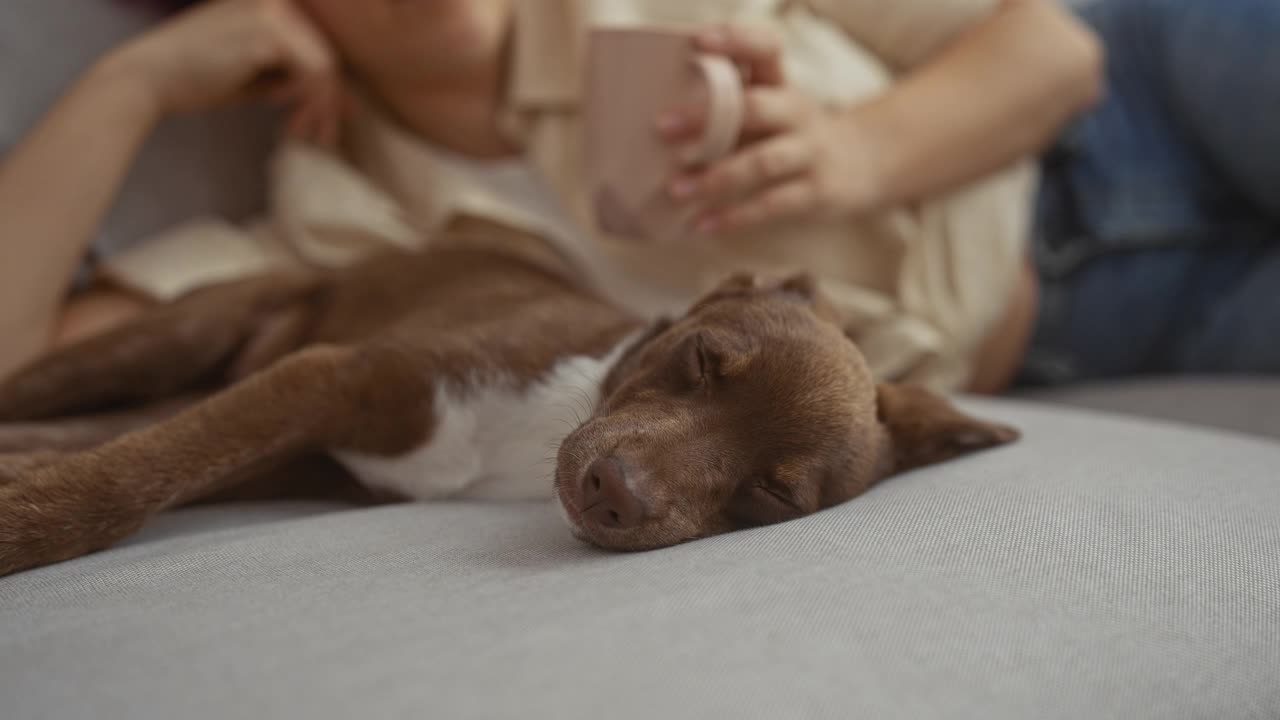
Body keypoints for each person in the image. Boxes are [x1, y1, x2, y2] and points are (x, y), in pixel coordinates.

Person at [0, 0, 1272, 393]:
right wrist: (132, 83)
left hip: (1141, 99)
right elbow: (19, 362)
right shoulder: (333, 228)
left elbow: (1057, 51)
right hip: (1067, 335)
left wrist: (858, 148)